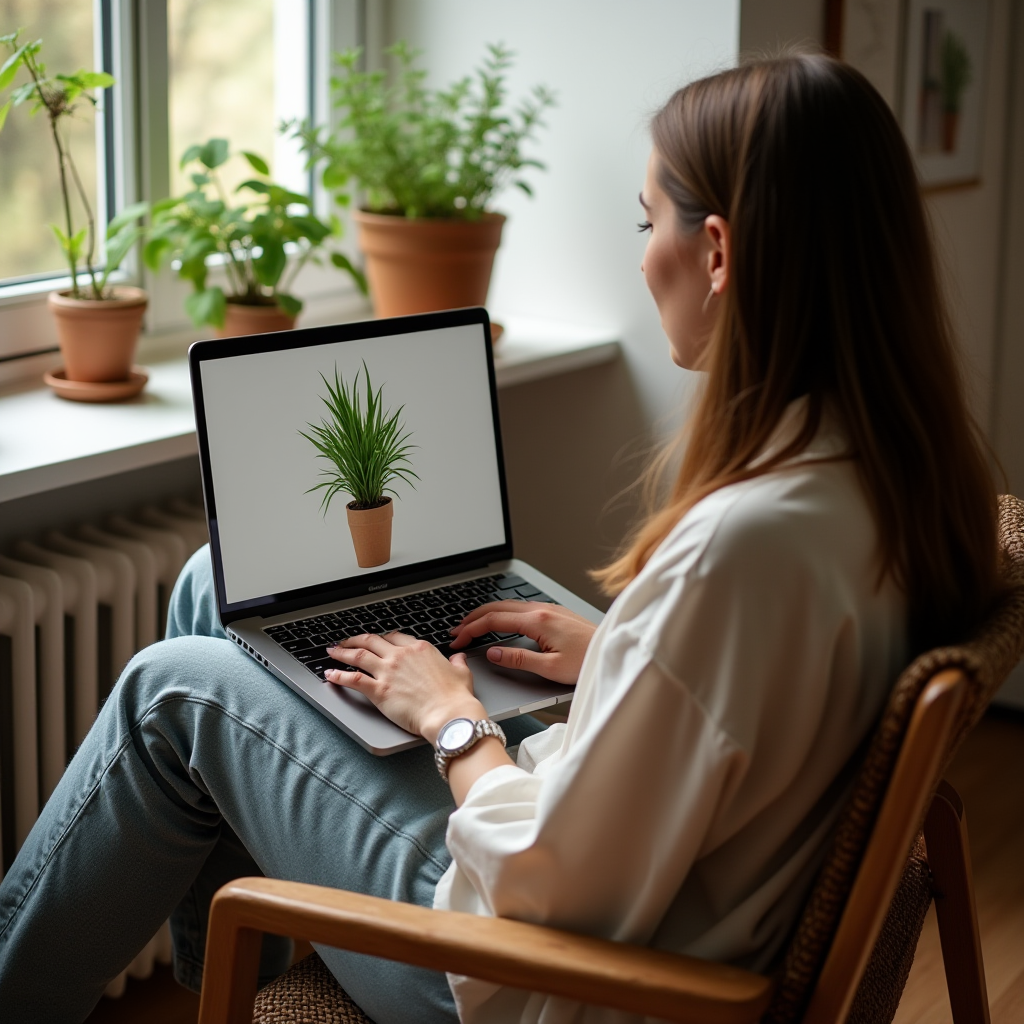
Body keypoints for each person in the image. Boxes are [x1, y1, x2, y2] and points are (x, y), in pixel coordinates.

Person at [0, 53, 999, 1024]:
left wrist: (452, 718)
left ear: (719, 252)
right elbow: (770, 695)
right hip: (645, 892)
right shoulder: (897, 479)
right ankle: (218, 974)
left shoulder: (737, 549)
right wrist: (617, 652)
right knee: (216, 585)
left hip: (522, 971)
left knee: (168, 688)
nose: (641, 254)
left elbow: (543, 889)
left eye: (647, 221)